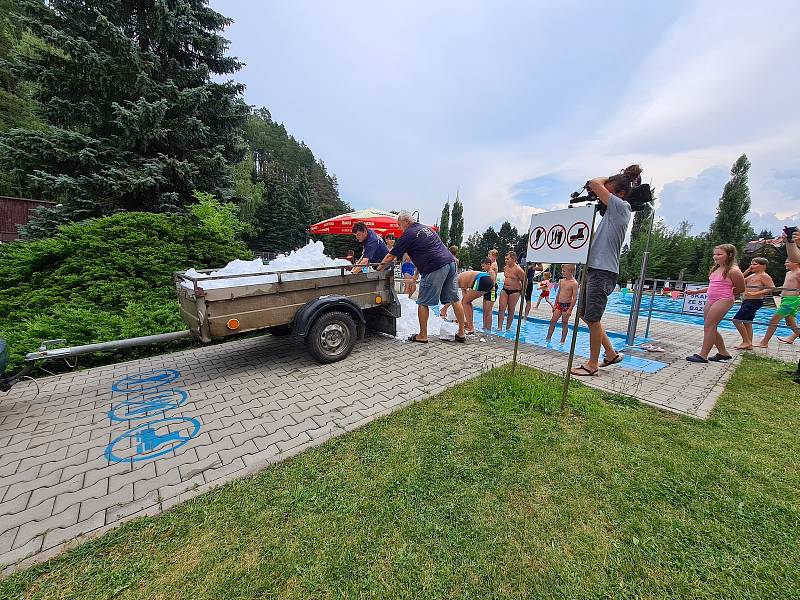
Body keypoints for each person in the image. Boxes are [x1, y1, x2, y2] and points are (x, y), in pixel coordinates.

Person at [572, 165, 642, 377]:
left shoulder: (621, 207)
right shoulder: (612, 213)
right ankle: (610, 353)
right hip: (594, 269)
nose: (601, 194)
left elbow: (594, 182)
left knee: (593, 318)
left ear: (619, 194)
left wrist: (617, 179)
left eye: (608, 190)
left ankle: (592, 364)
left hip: (603, 271)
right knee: (585, 315)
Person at [376, 210, 466, 343]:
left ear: (406, 222)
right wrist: (417, 274)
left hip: (434, 266)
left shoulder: (408, 234)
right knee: (454, 299)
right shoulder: (426, 229)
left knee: (423, 302)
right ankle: (461, 333)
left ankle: (423, 335)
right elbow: (427, 252)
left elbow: (391, 256)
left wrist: (377, 270)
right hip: (450, 263)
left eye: (399, 225)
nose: (399, 228)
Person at [685, 244, 746, 363]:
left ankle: (703, 355)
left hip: (723, 299)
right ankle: (723, 353)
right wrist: (696, 292)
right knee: (710, 326)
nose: (715, 257)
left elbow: (741, 288)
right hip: (711, 299)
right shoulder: (716, 268)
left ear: (729, 255)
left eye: (719, 254)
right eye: (715, 254)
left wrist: (730, 293)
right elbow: (713, 286)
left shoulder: (734, 271)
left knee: (710, 326)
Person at [756, 230, 800, 347]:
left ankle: (764, 342)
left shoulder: (798, 273)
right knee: (790, 323)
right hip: (785, 299)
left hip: (791, 301)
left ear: (796, 262)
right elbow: (787, 286)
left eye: (788, 261)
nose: (785, 264)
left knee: (773, 320)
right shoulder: (789, 274)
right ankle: (791, 339)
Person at [732, 257, 774, 350]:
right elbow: (739, 280)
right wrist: (747, 271)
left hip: (754, 301)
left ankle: (745, 341)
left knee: (736, 320)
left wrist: (756, 293)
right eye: (751, 264)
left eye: (755, 264)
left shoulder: (764, 276)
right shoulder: (752, 276)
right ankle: (749, 343)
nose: (752, 266)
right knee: (747, 322)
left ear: (763, 266)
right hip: (747, 300)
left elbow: (771, 288)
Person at [457, 258, 496, 334]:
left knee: (465, 302)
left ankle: (470, 327)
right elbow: (465, 296)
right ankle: (471, 325)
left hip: (481, 280)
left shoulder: (457, 280)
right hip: (485, 280)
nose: (482, 267)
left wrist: (444, 309)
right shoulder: (461, 277)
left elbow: (454, 298)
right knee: (467, 302)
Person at [546, 264, 578, 344]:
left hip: (567, 306)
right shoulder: (561, 281)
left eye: (564, 271)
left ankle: (562, 341)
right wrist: (555, 305)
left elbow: (574, 298)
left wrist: (570, 309)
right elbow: (558, 293)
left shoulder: (574, 283)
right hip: (559, 305)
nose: (562, 272)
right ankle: (548, 338)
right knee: (552, 321)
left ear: (570, 272)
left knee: (564, 323)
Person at [497, 251, 526, 331]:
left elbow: (525, 281)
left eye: (507, 259)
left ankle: (508, 327)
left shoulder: (518, 269)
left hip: (515, 291)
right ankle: (499, 327)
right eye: (505, 259)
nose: (506, 261)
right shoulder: (505, 268)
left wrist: (523, 292)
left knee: (511, 309)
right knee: (501, 307)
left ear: (513, 259)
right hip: (505, 289)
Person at [482, 249, 500, 331]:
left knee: (488, 311)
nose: (488, 257)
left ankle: (488, 328)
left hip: (492, 289)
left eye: (490, 256)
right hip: (488, 288)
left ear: (495, 256)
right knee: (485, 310)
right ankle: (484, 326)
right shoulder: (490, 266)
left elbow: (492, 282)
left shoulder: (493, 266)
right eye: (488, 255)